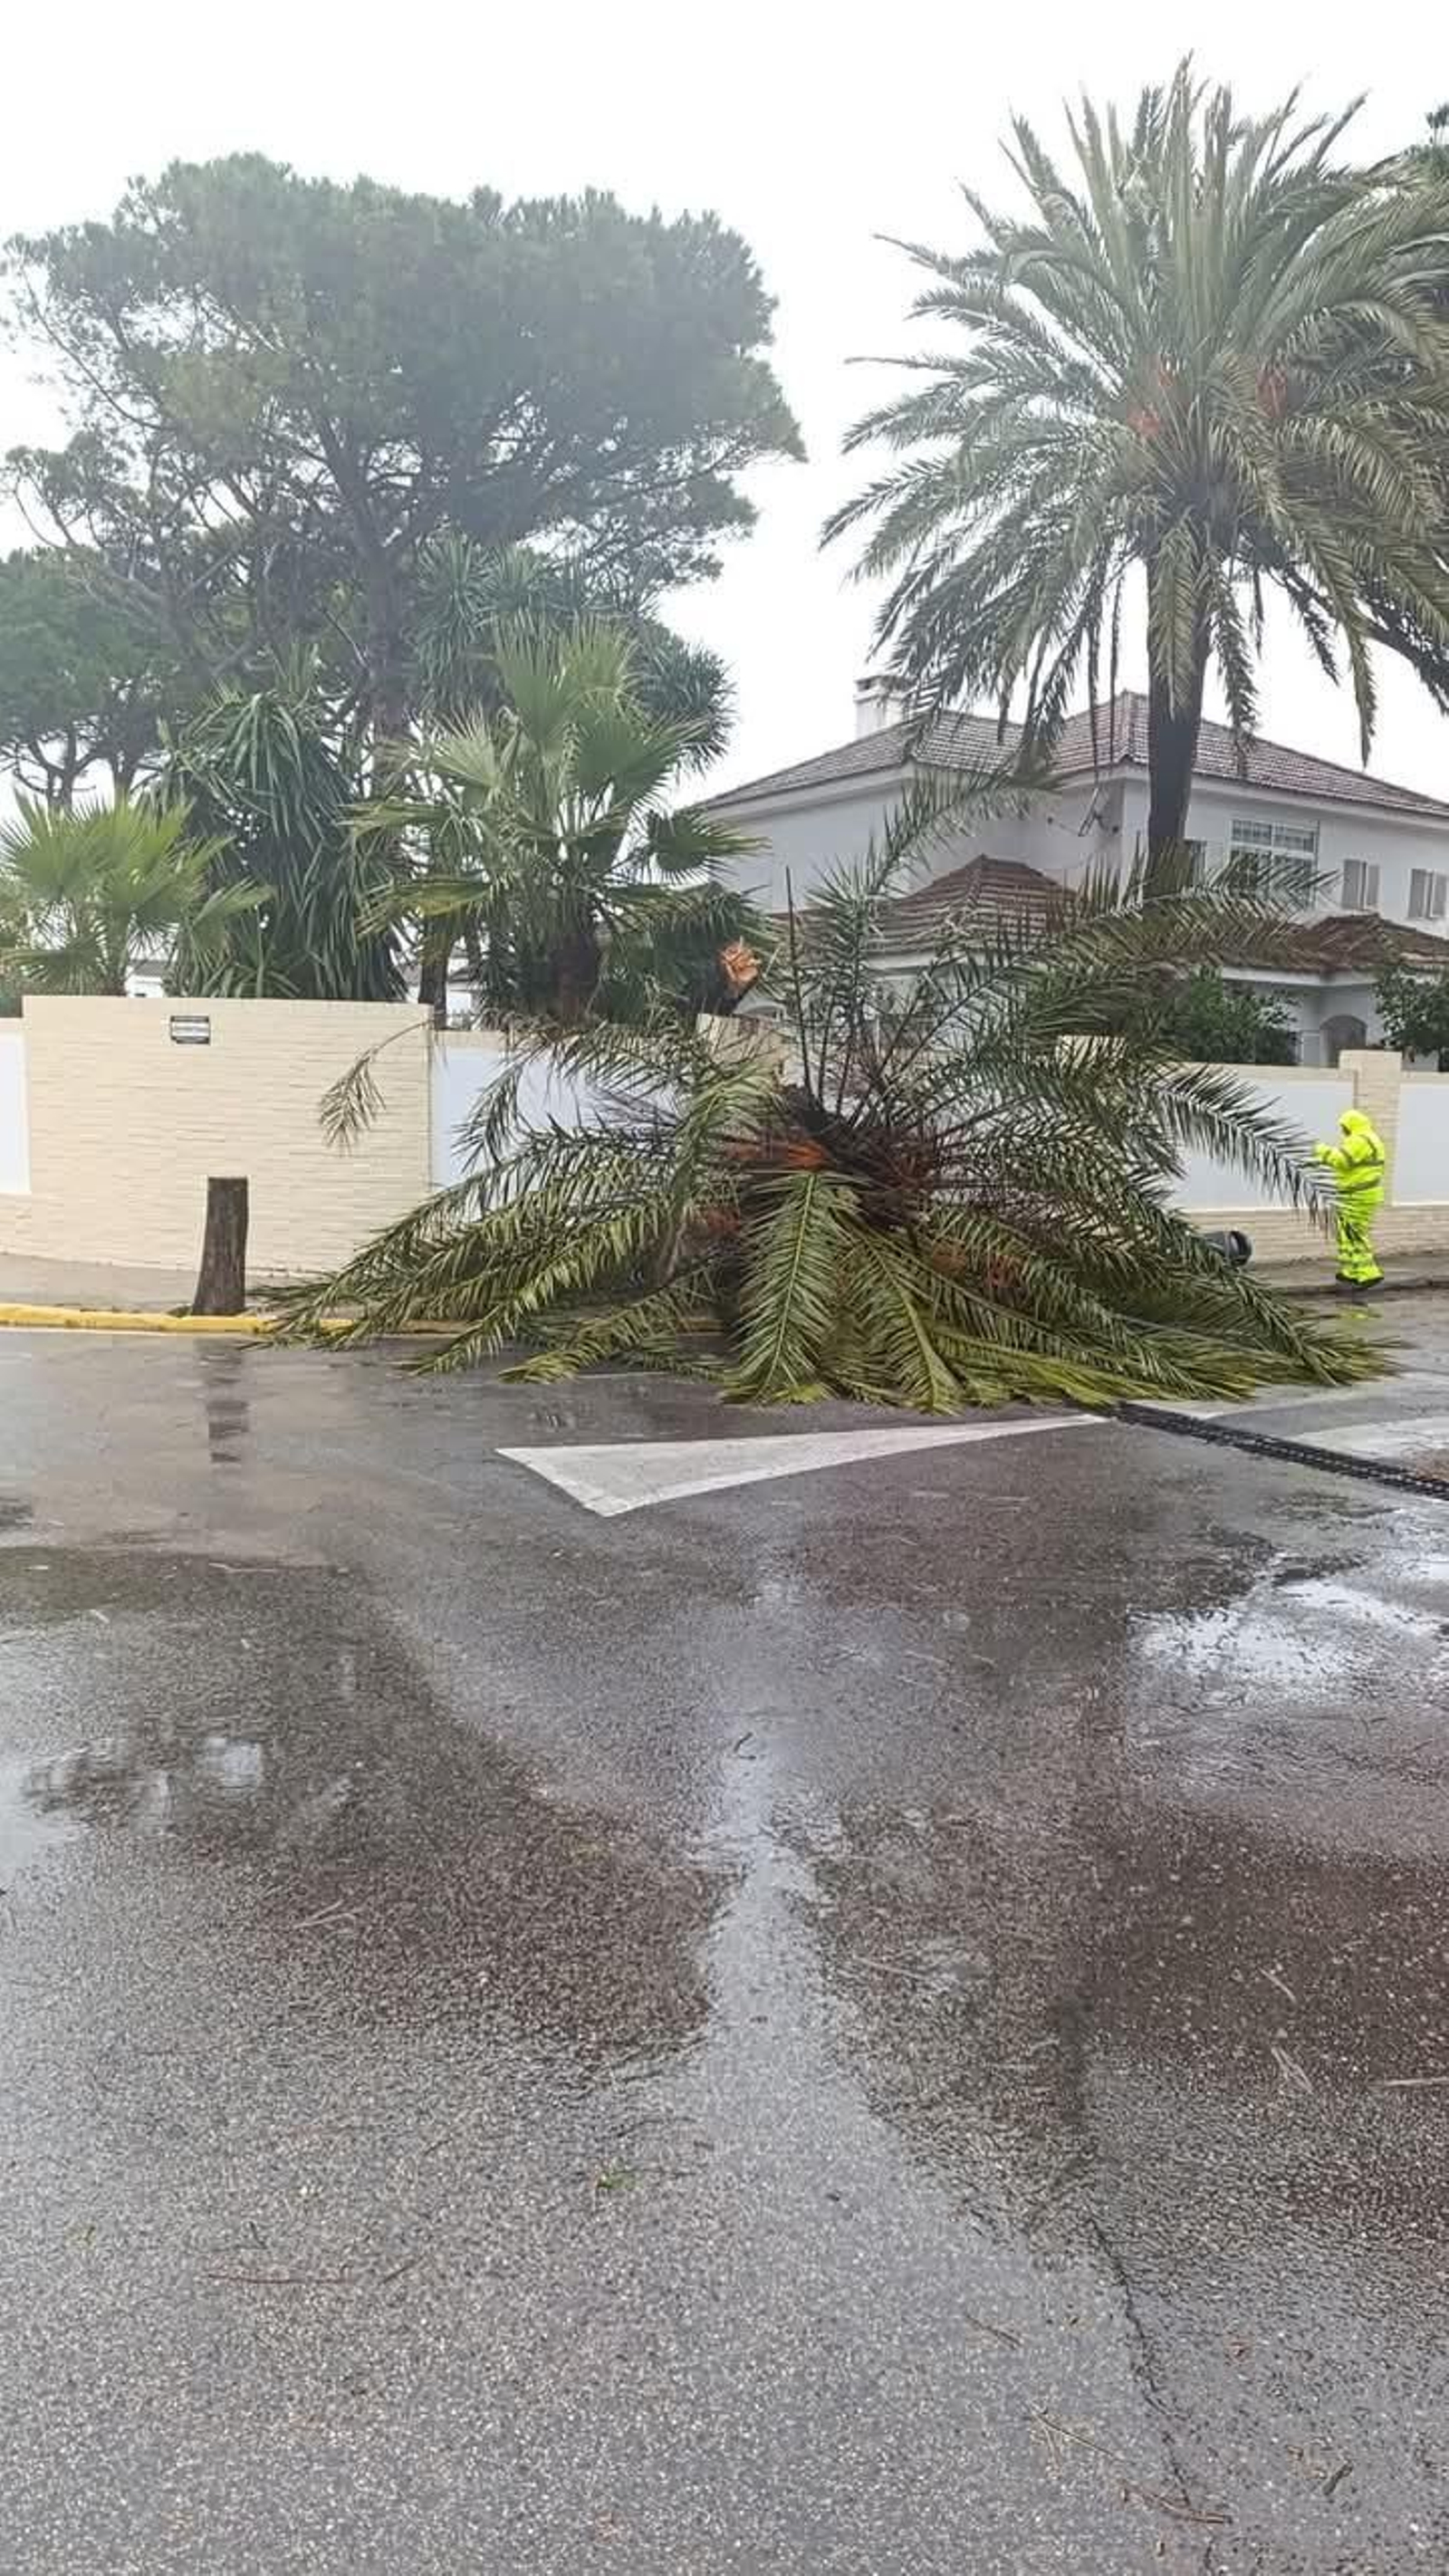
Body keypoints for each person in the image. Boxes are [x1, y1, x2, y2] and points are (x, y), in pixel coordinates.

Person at [1313, 1107, 1387, 1290]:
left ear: (1351, 1125)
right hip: (1355, 1195)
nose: (1342, 1130)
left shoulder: (1360, 1140)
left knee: (1354, 1233)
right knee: (1345, 1233)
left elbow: (1342, 1161)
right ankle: (1351, 1272)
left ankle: (1369, 1273)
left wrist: (1320, 1150)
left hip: (1359, 1196)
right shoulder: (1369, 1138)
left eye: (1344, 1126)